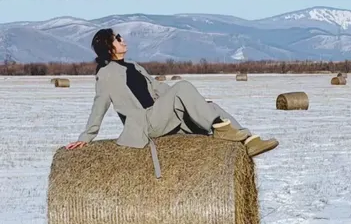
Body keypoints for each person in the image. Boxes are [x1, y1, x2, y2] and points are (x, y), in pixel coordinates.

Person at [65, 29, 278, 157]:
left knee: (210, 106)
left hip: (161, 116)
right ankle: (220, 128)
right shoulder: (106, 74)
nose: (123, 40)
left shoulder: (135, 66)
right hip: (145, 123)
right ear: (108, 46)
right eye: (117, 38)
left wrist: (194, 104)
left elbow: (161, 89)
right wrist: (87, 136)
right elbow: (99, 104)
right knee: (182, 86)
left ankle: (248, 140)